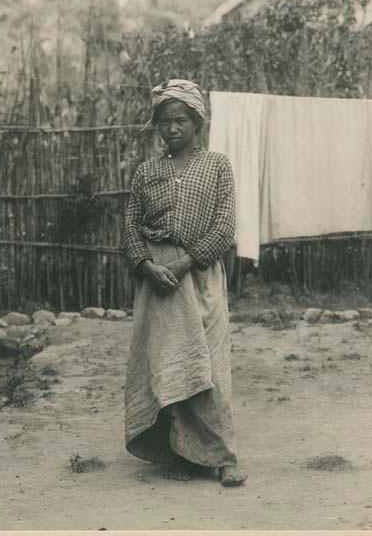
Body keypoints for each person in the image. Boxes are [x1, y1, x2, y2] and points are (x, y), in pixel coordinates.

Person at [123, 79, 247, 486]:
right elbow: (131, 226)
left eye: (181, 120)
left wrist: (184, 263)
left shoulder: (217, 166)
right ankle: (179, 453)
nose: (172, 128)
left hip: (198, 276)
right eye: (164, 121)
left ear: (197, 123)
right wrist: (145, 265)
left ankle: (223, 455)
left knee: (209, 366)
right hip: (157, 282)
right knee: (167, 366)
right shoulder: (147, 172)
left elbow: (225, 226)